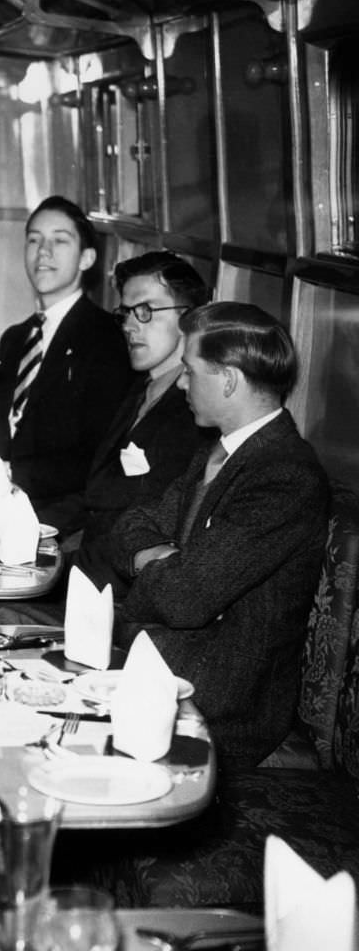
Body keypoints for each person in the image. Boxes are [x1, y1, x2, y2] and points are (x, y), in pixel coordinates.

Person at [109, 300, 328, 770]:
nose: (182, 383)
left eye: (189, 371)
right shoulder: (219, 451)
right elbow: (130, 523)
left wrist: (156, 565)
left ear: (228, 380)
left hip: (222, 705)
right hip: (169, 662)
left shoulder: (285, 475)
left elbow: (185, 598)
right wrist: (158, 556)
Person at [64, 251, 215, 591]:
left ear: (188, 319)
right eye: (126, 314)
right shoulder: (138, 389)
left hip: (124, 593)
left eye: (145, 311)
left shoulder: (197, 415)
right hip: (90, 572)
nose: (130, 326)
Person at [0, 196, 132, 531]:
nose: (43, 252)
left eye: (59, 240)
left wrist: (10, 474)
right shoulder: (14, 340)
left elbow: (98, 457)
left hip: (69, 521)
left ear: (87, 258)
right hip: (10, 509)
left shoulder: (107, 337)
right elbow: (10, 441)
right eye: (34, 240)